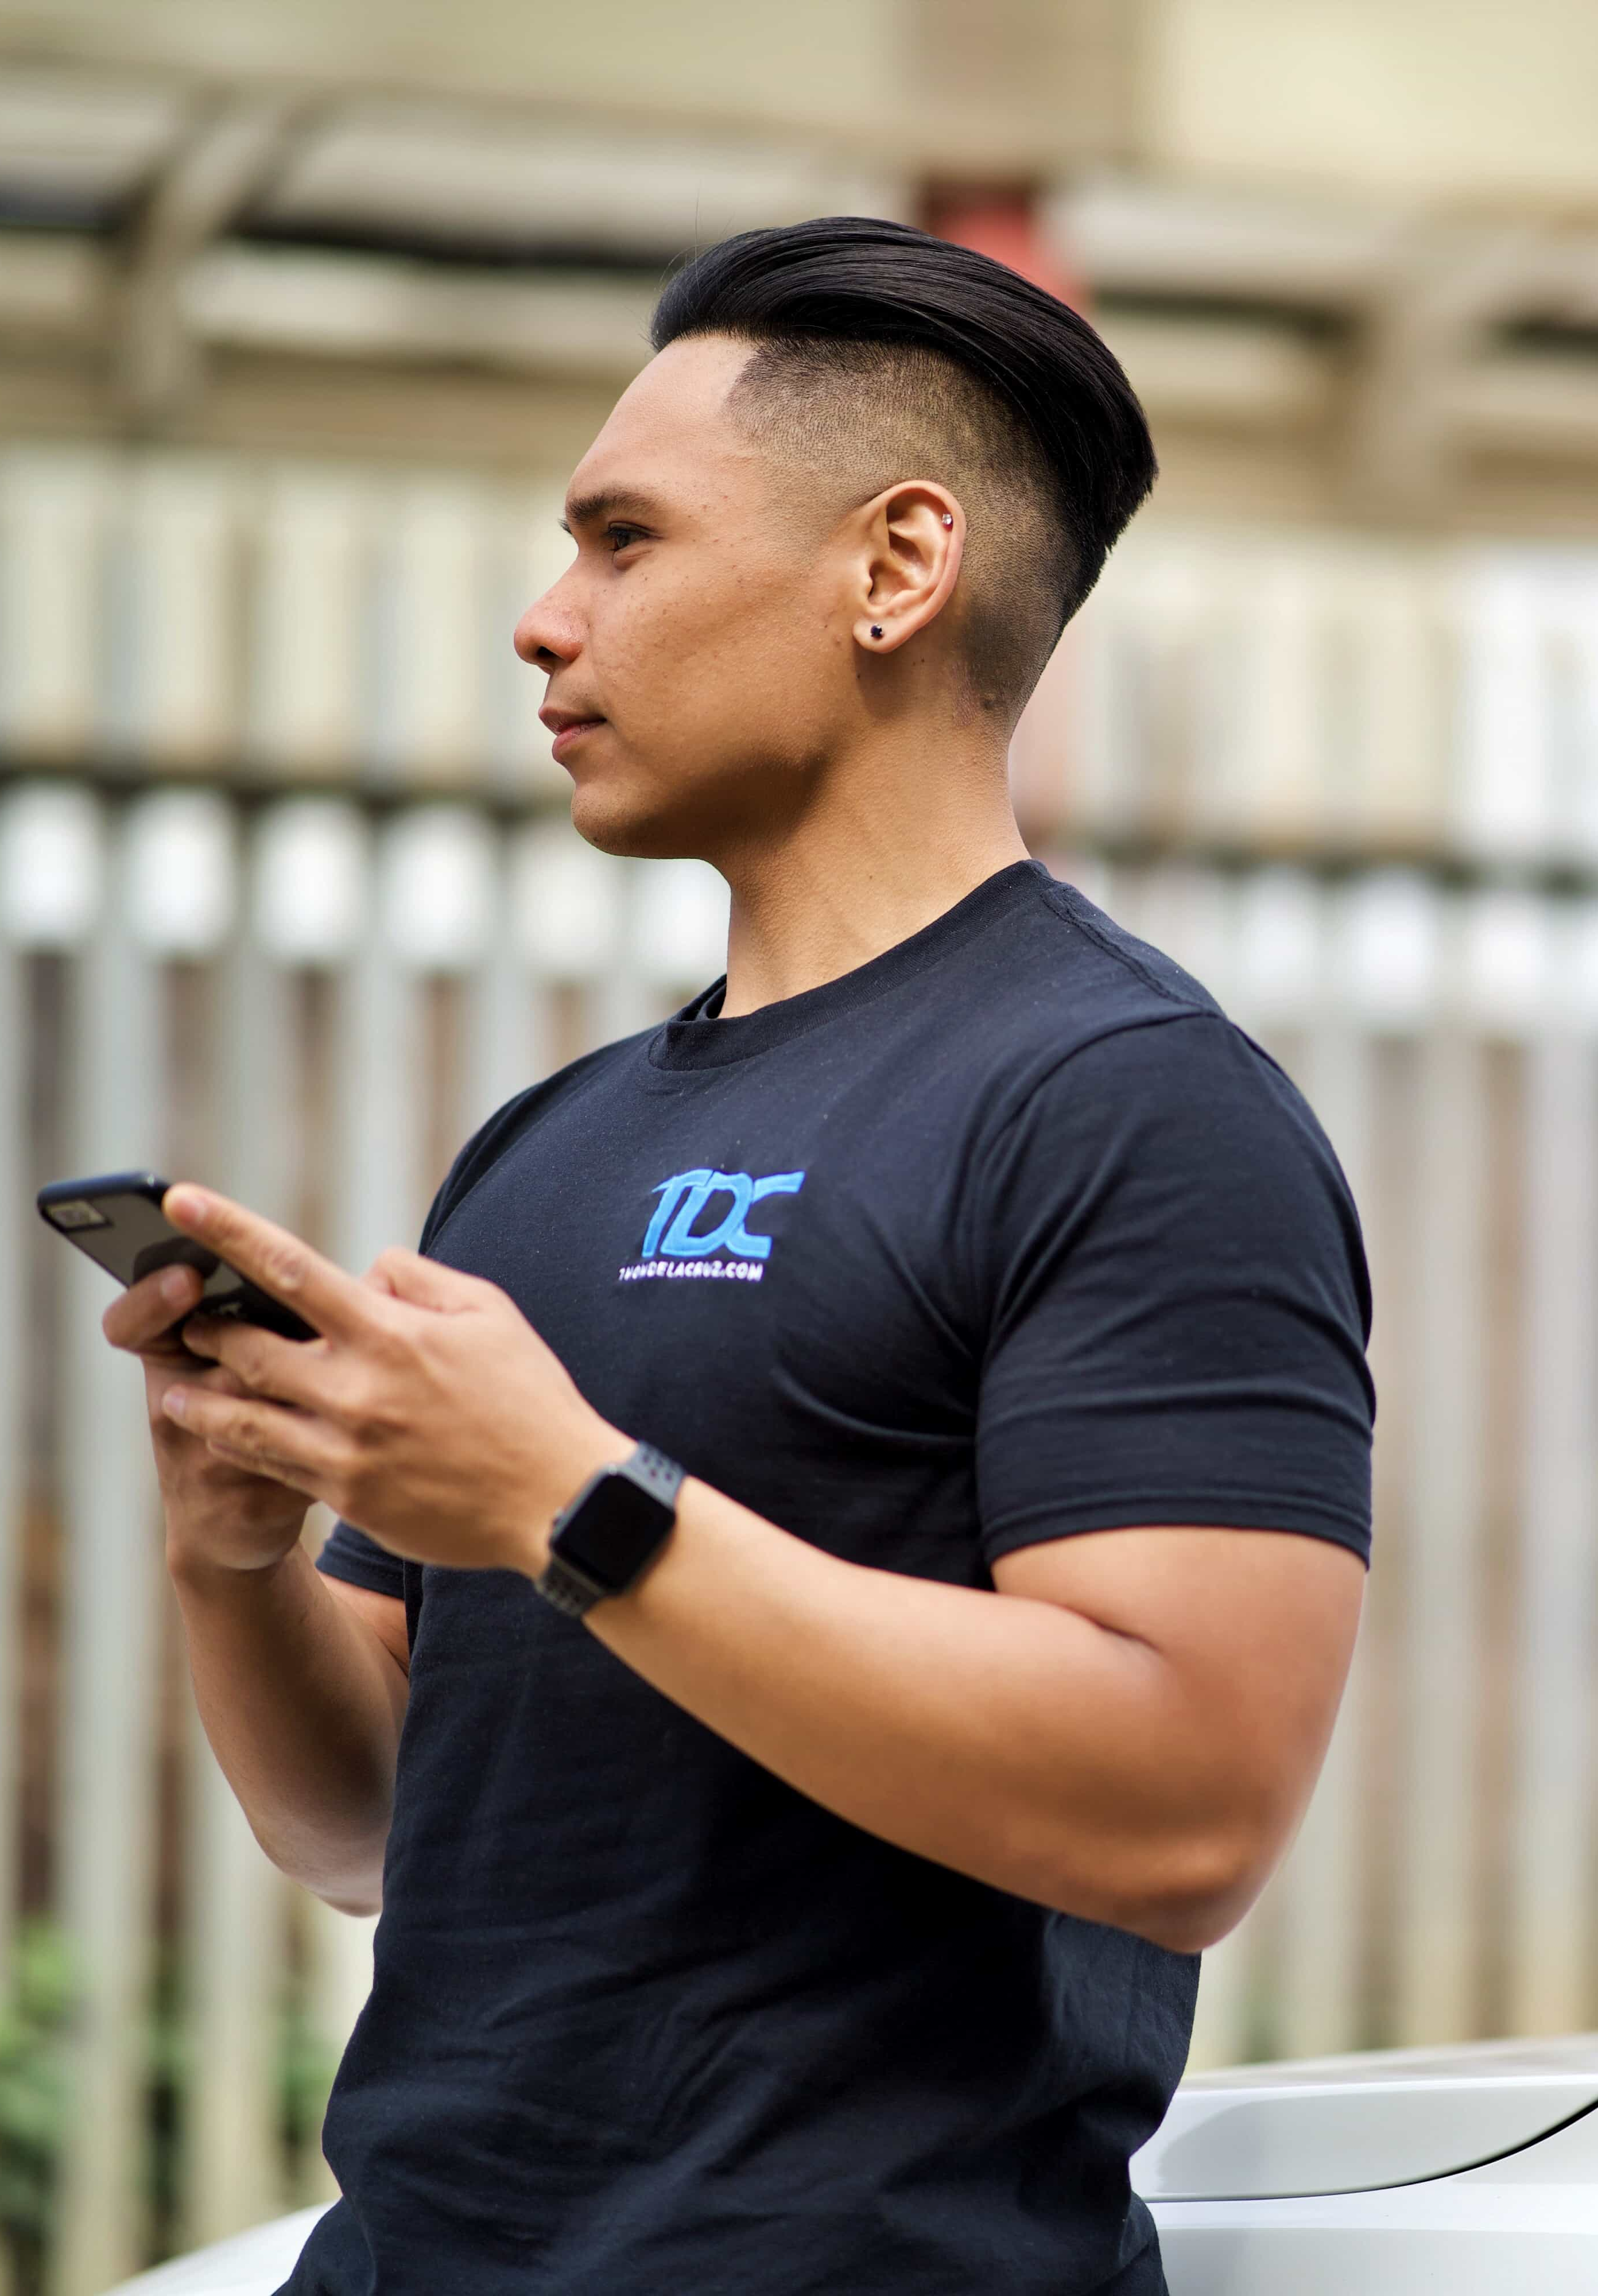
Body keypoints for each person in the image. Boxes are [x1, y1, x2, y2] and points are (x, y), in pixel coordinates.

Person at [100, 216, 1374, 2295]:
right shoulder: (546, 1147)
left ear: (895, 568)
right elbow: (365, 1840)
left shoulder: (1134, 1105)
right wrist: (235, 1558)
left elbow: (1188, 1814)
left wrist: (570, 1505)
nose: (543, 621)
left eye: (622, 541)